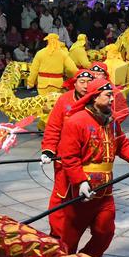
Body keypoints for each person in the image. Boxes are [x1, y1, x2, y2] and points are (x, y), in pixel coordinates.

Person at [56, 78, 129, 257]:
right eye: (108, 95)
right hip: (82, 192)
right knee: (70, 238)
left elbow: (122, 144)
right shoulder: (76, 121)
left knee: (105, 232)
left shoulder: (111, 121)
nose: (112, 99)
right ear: (94, 97)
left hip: (105, 191)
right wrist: (80, 181)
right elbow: (69, 157)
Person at [40, 69, 95, 240]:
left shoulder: (96, 100)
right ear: (75, 83)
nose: (86, 86)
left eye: (89, 82)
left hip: (87, 159)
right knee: (60, 196)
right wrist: (48, 150)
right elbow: (53, 127)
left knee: (86, 196)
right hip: (65, 158)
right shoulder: (64, 100)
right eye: (82, 82)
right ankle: (56, 236)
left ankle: (77, 229)